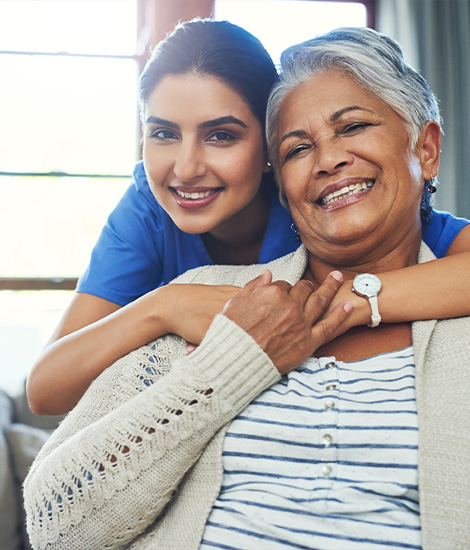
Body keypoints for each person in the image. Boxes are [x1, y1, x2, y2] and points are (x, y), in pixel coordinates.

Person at [24, 27, 470, 549]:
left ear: (264, 159)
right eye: (163, 132)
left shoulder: (345, 206)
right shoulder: (149, 211)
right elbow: (47, 394)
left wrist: (332, 305)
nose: (187, 167)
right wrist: (167, 306)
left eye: (222, 135)